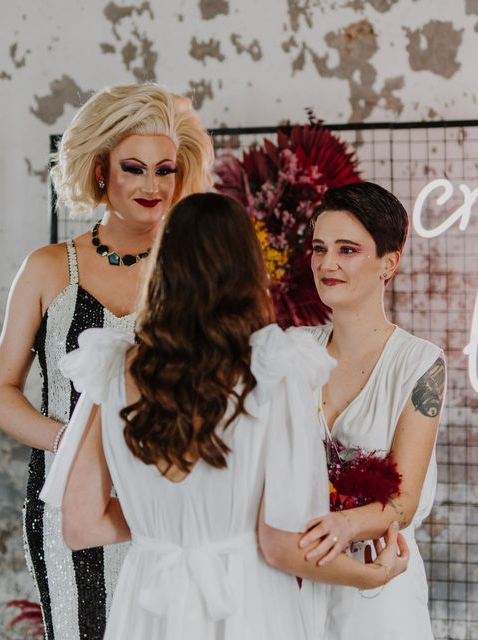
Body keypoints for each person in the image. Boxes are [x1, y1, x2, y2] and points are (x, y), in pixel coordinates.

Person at [38, 193, 409, 640]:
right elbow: (280, 545)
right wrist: (368, 576)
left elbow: (80, 526)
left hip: (147, 607)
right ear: (246, 269)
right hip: (246, 605)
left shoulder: (113, 368)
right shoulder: (273, 370)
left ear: (162, 266)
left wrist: (170, 519)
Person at [0, 83, 214, 640]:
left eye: (166, 169)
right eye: (134, 168)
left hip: (171, 506)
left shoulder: (198, 274)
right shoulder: (47, 269)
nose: (153, 186)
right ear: (101, 169)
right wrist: (75, 443)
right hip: (69, 505)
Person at [295, 182, 446, 639]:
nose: (327, 263)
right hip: (294, 575)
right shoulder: (290, 350)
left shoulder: (420, 362)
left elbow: (403, 500)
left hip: (379, 582)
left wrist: (344, 524)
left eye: (348, 249)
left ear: (389, 263)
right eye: (320, 248)